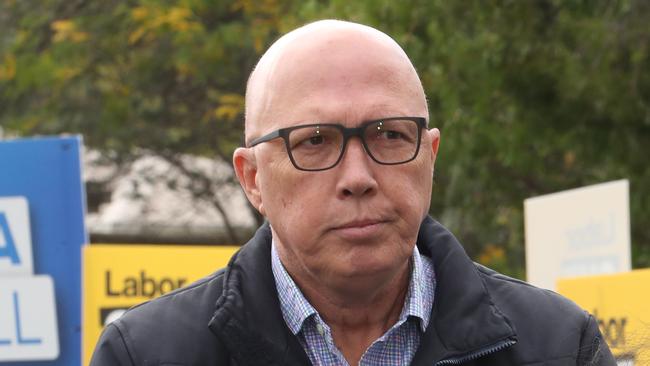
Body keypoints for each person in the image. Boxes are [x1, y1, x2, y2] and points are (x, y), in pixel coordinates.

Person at [90, 20, 615, 366]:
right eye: (315, 141)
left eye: (389, 135)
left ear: (430, 157)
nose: (358, 175)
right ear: (253, 179)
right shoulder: (148, 354)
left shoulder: (557, 345)